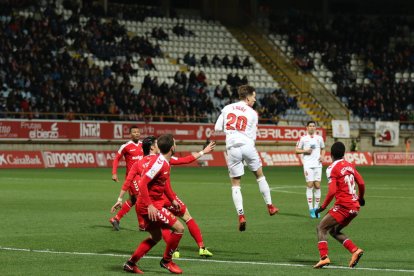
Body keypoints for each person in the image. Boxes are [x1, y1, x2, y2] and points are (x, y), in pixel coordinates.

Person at [111, 136, 216, 258]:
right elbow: (185, 160)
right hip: (162, 198)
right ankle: (199, 248)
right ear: (152, 147)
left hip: (150, 201)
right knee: (185, 218)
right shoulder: (161, 160)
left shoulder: (138, 163)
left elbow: (128, 181)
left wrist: (119, 198)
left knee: (162, 226)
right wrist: (203, 151)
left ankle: (173, 251)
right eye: (156, 143)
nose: (158, 145)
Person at [214, 85, 279, 232]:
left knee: (236, 184)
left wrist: (230, 130)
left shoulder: (227, 108)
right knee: (260, 176)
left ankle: (241, 216)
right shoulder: (253, 113)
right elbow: (253, 135)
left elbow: (217, 128)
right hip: (247, 145)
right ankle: (270, 206)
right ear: (248, 97)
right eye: (254, 97)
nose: (255, 99)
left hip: (232, 148)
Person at [122, 134, 184, 274]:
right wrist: (150, 205)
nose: (176, 145)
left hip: (150, 204)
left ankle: (130, 264)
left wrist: (172, 199)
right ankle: (167, 261)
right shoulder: (160, 163)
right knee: (179, 229)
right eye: (175, 142)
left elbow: (163, 184)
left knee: (156, 236)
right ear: (172, 147)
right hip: (150, 206)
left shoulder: (164, 162)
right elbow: (143, 182)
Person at [313, 141, 365, 269]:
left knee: (321, 228)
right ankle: (355, 250)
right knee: (334, 231)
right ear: (344, 154)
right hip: (354, 207)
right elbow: (361, 183)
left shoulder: (332, 168)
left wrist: (322, 207)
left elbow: (332, 191)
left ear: (331, 155)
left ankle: (324, 257)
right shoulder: (350, 165)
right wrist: (361, 198)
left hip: (344, 206)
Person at [110, 125, 143, 230]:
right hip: (132, 177)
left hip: (142, 177)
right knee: (139, 199)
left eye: (138, 132)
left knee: (133, 200)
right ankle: (142, 224)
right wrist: (114, 173)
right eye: (134, 132)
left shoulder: (143, 145)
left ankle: (116, 218)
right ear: (130, 134)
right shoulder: (126, 146)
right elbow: (116, 159)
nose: (137, 133)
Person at [295, 121, 326, 218]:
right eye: (310, 126)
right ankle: (311, 209)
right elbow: (296, 150)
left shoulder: (319, 138)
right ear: (307, 128)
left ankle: (316, 209)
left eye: (313, 126)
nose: (312, 127)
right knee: (310, 184)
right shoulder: (303, 138)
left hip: (318, 164)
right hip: (308, 164)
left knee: (317, 185)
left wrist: (322, 156)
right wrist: (305, 151)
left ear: (315, 128)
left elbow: (323, 148)